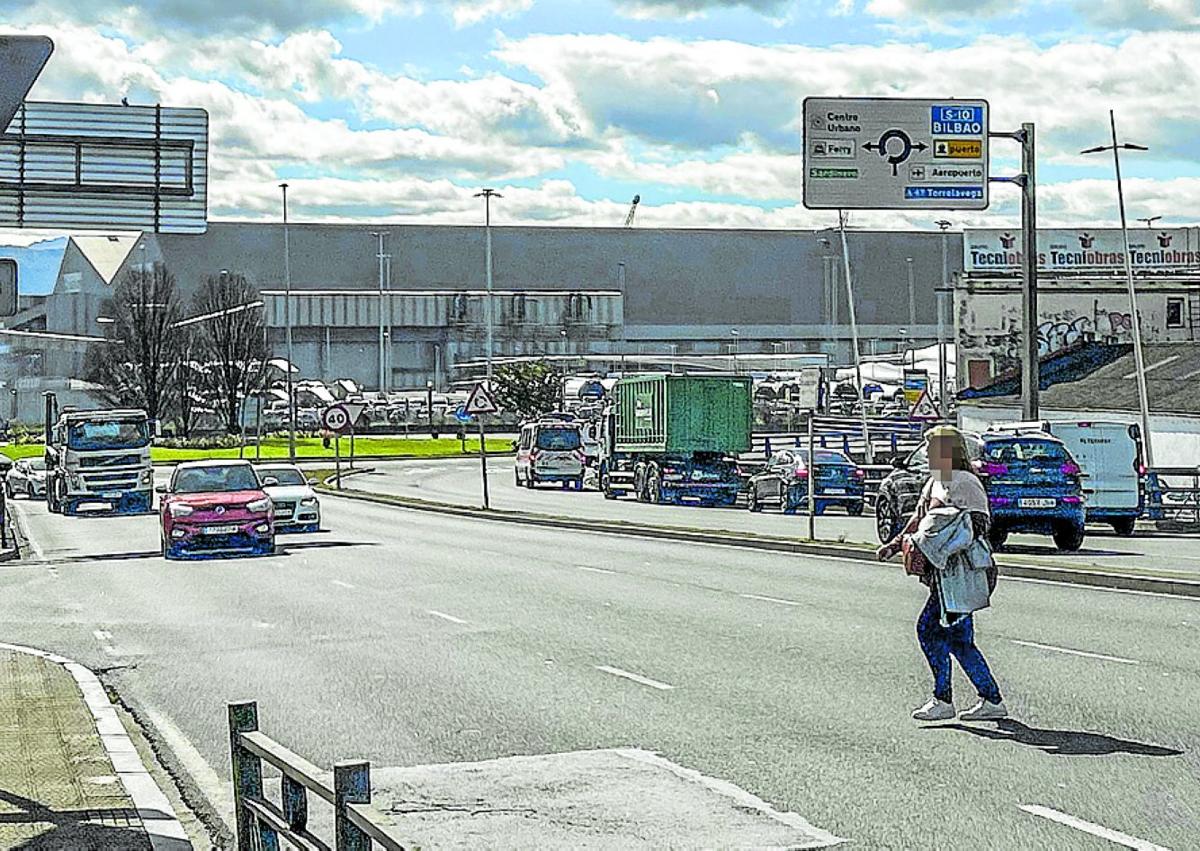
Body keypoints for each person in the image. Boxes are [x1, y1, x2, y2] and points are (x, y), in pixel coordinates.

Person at [876, 425, 1007, 723]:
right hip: (941, 574)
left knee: (929, 630)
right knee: (959, 640)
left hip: (961, 573)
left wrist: (941, 537)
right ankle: (990, 698)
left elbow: (979, 524)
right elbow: (917, 518)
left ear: (947, 452)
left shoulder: (965, 482)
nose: (927, 453)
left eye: (932, 449)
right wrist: (894, 545)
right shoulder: (936, 481)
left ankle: (944, 699)